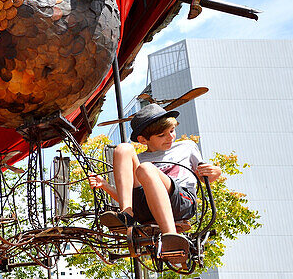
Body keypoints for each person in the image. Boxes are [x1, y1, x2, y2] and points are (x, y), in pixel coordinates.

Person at [87, 104, 222, 270]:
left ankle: (170, 236)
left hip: (180, 201)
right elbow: (133, 195)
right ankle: (126, 215)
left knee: (145, 169)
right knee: (123, 149)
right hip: (146, 210)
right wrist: (105, 186)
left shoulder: (186, 147)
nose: (170, 137)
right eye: (162, 135)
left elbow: (205, 177)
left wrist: (216, 171)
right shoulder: (139, 158)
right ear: (143, 140)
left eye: (172, 131)